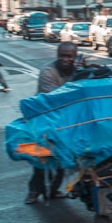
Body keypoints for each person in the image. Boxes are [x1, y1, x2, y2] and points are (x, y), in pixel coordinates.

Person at [26, 42, 80, 204]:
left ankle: (54, 189)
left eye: (69, 56)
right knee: (42, 157)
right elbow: (56, 99)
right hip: (44, 118)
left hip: (64, 119)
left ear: (74, 57)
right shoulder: (48, 72)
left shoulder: (76, 70)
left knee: (61, 157)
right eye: (62, 55)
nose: (65, 59)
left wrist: (85, 71)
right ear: (57, 55)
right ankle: (34, 191)